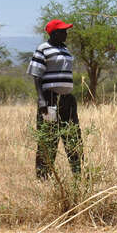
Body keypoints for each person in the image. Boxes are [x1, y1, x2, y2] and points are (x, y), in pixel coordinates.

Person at [27, 19, 82, 179]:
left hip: (67, 100)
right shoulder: (43, 49)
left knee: (73, 136)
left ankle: (78, 175)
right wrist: (41, 99)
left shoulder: (65, 49)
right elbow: (36, 76)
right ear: (54, 33)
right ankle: (43, 176)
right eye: (63, 31)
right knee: (49, 138)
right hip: (50, 99)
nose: (66, 34)